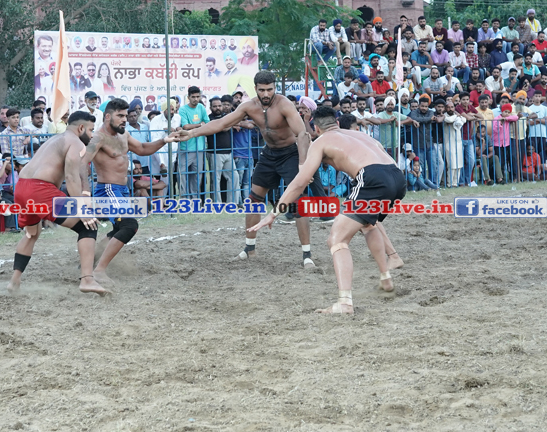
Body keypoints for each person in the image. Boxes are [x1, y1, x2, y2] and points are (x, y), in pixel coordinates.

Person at [249, 106, 405, 314]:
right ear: (337, 123)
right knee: (368, 224)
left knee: (336, 239)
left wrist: (273, 214)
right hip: (397, 176)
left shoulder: (320, 142)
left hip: (371, 178)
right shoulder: (359, 135)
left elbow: (299, 183)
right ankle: (385, 278)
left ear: (316, 128)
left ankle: (345, 303)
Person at [176, 71, 316, 266]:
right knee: (253, 200)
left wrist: (303, 164)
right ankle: (250, 249)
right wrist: (192, 134)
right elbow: (221, 123)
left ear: (275, 87)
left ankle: (307, 255)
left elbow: (302, 134)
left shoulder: (284, 104)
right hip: (269, 153)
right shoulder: (249, 106)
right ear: (255, 89)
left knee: (299, 202)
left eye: (269, 90)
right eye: (262, 90)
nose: (266, 94)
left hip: (291, 154)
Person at [7, 110, 103, 295]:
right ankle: (87, 280)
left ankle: (14, 281)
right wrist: (82, 209)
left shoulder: (54, 139)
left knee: (31, 234)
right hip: (40, 189)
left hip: (22, 187)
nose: (92, 136)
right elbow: (71, 177)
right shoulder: (75, 143)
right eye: (91, 130)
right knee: (87, 226)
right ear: (81, 128)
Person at [85, 98, 180, 285]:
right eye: (120, 116)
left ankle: (87, 263)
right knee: (129, 225)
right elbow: (82, 162)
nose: (124, 119)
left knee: (119, 228)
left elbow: (142, 148)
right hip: (108, 189)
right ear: (107, 116)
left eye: (125, 115)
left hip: (122, 190)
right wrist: (83, 190)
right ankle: (99, 271)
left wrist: (164, 140)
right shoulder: (98, 138)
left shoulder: (123, 134)